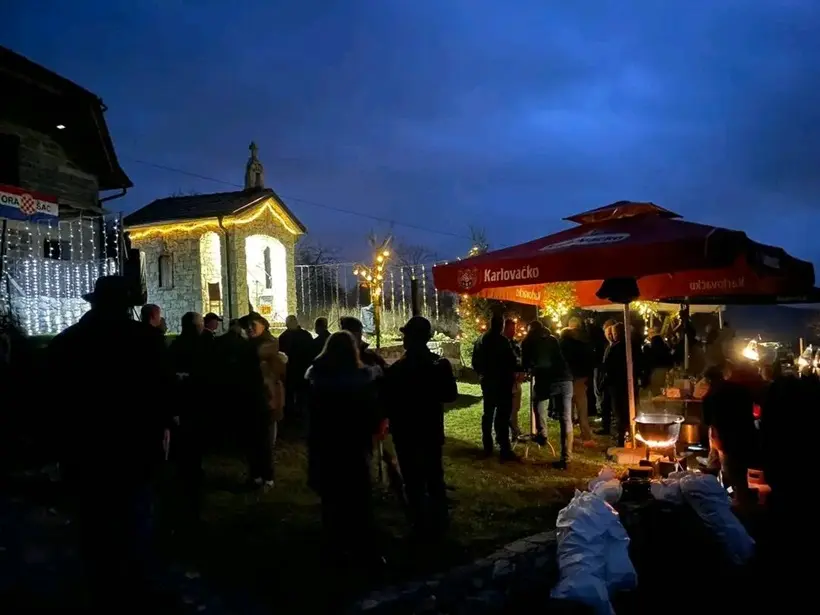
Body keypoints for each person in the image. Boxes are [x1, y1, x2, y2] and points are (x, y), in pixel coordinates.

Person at [47, 276, 172, 610]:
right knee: (135, 520)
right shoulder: (145, 340)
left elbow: (52, 399)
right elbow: (163, 390)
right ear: (127, 305)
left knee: (94, 523)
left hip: (85, 449)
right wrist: (163, 425)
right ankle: (134, 589)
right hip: (134, 446)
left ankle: (101, 589)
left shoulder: (69, 342)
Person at [305, 331, 382, 565]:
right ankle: (360, 546)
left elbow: (311, 414)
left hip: (326, 444)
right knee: (358, 497)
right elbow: (371, 413)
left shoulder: (316, 378)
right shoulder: (362, 380)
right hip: (353, 445)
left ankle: (334, 545)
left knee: (331, 498)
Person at [386, 317, 458, 538]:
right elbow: (450, 395)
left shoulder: (399, 368)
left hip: (406, 431)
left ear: (411, 338)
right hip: (429, 429)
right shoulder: (438, 365)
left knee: (413, 479)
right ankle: (439, 522)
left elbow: (387, 401)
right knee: (434, 476)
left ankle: (420, 524)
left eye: (406, 335)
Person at [167, 312, 209, 528]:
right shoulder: (200, 346)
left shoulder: (175, 346)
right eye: (200, 324)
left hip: (183, 406)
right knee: (193, 445)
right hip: (194, 405)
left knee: (186, 444)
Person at [702, 364, 758, 503]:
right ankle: (740, 497)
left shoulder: (710, 395)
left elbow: (707, 420)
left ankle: (736, 501)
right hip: (745, 433)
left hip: (724, 436)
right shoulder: (740, 389)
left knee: (731, 471)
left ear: (708, 380)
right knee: (740, 469)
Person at [523, 320, 574, 469]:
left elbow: (527, 364)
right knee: (566, 418)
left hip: (546, 380)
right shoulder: (552, 339)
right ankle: (566, 458)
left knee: (538, 401)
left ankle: (542, 434)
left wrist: (529, 368)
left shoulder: (529, 341)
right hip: (566, 379)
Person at [245, 312, 287, 488]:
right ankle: (258, 474)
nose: (249, 329)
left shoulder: (266, 345)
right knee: (255, 440)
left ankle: (266, 476)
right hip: (256, 398)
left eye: (253, 325)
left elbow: (276, 372)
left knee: (265, 441)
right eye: (248, 326)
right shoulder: (254, 345)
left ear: (263, 325)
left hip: (266, 399)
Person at [472, 315, 519, 461]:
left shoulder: (481, 340)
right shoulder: (502, 341)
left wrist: (482, 374)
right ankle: (504, 446)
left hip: (488, 382)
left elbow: (475, 362)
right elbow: (511, 361)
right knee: (502, 415)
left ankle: (488, 445)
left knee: (488, 413)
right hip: (502, 382)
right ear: (501, 326)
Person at [560, 317, 594, 444]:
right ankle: (586, 437)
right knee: (582, 410)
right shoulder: (581, 345)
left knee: (567, 411)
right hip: (580, 379)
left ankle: (568, 438)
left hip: (566, 380)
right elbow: (588, 362)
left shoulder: (560, 346)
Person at [278, 314, 314, 416]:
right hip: (303, 370)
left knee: (290, 393)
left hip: (290, 370)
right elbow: (311, 352)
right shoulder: (306, 335)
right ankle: (302, 412)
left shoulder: (283, 337)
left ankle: (291, 414)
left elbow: (281, 355)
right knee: (303, 393)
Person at [602, 323, 630, 446]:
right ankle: (624, 436)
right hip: (623, 382)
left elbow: (609, 365)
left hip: (617, 383)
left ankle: (621, 439)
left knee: (619, 411)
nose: (613, 335)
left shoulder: (617, 347)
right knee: (622, 411)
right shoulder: (627, 346)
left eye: (614, 333)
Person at [503, 318, 524, 441]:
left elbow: (519, 360)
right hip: (505, 380)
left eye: (514, 329)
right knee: (506, 408)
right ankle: (507, 433)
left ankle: (514, 431)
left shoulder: (515, 344)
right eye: (511, 329)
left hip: (516, 381)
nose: (513, 332)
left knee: (515, 408)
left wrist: (521, 372)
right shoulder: (501, 344)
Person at [644, 328, 673, 396]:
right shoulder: (665, 347)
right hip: (665, 370)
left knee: (656, 391)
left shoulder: (651, 347)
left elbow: (648, 360)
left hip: (655, 371)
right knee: (663, 390)